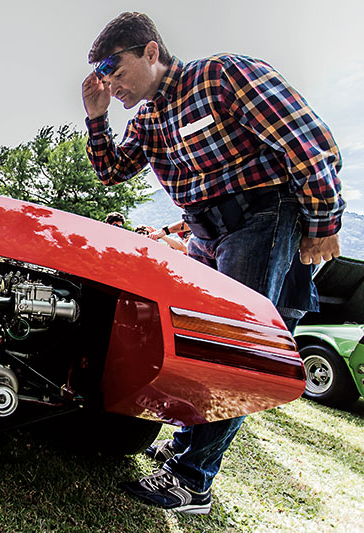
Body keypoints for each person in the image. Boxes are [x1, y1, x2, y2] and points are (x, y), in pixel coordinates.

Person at [81, 12, 344, 514]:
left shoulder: (222, 75)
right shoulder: (148, 120)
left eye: (115, 69)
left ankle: (192, 480)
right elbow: (112, 172)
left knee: (231, 349)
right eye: (101, 75)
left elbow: (310, 144)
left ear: (151, 52)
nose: (110, 83)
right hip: (205, 232)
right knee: (191, 344)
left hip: (262, 219)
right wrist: (97, 118)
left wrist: (322, 225)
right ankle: (185, 451)